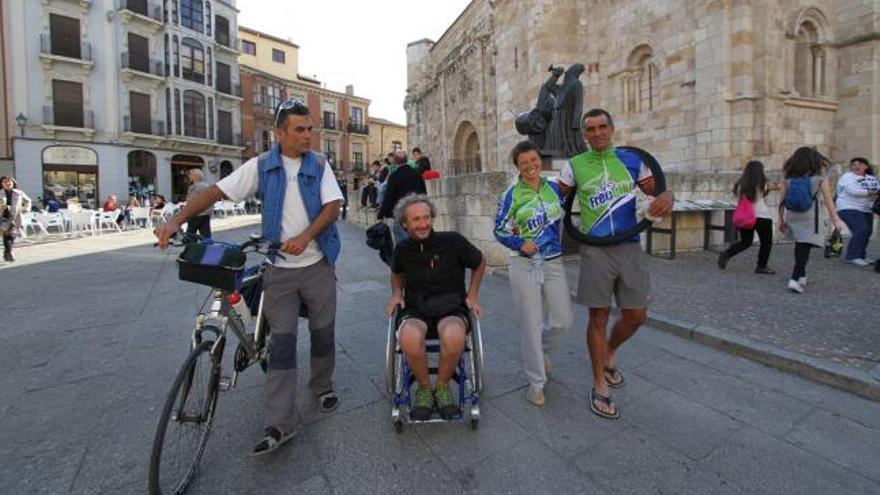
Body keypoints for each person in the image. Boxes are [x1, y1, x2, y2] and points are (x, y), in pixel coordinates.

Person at [155, 99, 344, 456]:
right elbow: (214, 192)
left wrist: (305, 237)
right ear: (281, 133)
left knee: (323, 333)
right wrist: (173, 221)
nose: (308, 136)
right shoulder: (261, 167)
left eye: (310, 129)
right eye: (300, 130)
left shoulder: (319, 165)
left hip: (317, 263)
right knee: (282, 343)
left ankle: (321, 386)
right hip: (280, 271)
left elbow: (333, 206)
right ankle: (280, 424)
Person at [558, 108, 673, 420]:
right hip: (596, 250)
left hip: (630, 245)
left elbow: (658, 191)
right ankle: (599, 383)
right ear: (584, 135)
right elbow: (557, 199)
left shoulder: (632, 160)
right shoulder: (575, 166)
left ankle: (609, 352)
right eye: (590, 129)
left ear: (611, 128)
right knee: (597, 316)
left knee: (636, 316)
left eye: (601, 127)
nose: (596, 133)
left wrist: (667, 198)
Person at [384, 194, 485, 420]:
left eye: (426, 217)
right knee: (408, 337)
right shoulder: (402, 249)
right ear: (404, 224)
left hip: (451, 306)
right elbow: (396, 273)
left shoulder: (453, 241)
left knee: (453, 335)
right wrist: (396, 294)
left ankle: (441, 387)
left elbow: (479, 263)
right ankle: (424, 389)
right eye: (416, 219)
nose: (423, 224)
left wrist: (473, 295)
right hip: (416, 308)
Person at [494, 140, 572, 406]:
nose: (530, 167)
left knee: (563, 319)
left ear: (541, 160)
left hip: (552, 262)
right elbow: (499, 228)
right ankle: (536, 383)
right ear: (517, 166)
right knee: (531, 325)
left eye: (534, 160)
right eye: (524, 163)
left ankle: (544, 352)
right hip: (524, 263)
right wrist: (519, 243)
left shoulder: (555, 188)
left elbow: (573, 211)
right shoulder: (511, 194)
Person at [778, 147, 845, 293]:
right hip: (810, 215)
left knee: (800, 244)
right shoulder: (819, 176)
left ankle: (801, 275)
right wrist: (836, 220)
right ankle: (794, 278)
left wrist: (780, 219)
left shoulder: (788, 176)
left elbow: (782, 200)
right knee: (805, 246)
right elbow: (828, 201)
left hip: (792, 214)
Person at [717, 160, 779, 273]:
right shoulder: (762, 184)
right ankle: (761, 266)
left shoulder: (740, 185)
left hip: (746, 216)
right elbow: (774, 187)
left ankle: (727, 253)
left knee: (745, 242)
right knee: (766, 242)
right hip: (762, 216)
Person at [835, 157, 879, 266]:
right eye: (853, 164)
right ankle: (852, 256)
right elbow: (853, 191)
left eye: (859, 164)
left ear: (866, 166)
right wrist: (871, 193)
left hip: (866, 209)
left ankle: (861, 255)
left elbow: (878, 189)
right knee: (861, 229)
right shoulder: (847, 177)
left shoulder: (871, 178)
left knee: (867, 232)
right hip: (848, 207)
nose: (856, 166)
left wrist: (874, 192)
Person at [378, 150, 427, 243]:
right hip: (416, 213)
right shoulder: (417, 174)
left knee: (403, 245)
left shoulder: (394, 176)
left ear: (395, 161)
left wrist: (381, 214)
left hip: (401, 215)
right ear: (407, 159)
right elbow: (424, 194)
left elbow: (389, 197)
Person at [1, 176, 32, 262]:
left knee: (11, 235)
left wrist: (25, 209)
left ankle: (7, 252)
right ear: (2, 184)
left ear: (13, 183)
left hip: (15, 217)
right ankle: (9, 252)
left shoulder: (19, 193)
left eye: (9, 182)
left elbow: (28, 201)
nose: (7, 183)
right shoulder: (0, 193)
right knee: (8, 235)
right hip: (3, 217)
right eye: (5, 182)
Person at [184, 168, 213, 238]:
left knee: (190, 235)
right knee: (205, 235)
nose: (189, 176)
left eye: (190, 174)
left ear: (195, 176)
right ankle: (207, 248)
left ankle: (192, 248)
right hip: (204, 213)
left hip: (196, 214)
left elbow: (192, 201)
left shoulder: (197, 187)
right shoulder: (205, 185)